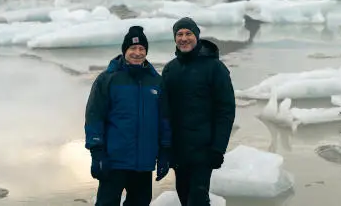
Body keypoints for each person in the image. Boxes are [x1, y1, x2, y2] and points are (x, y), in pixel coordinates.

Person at [84, 26, 172, 206]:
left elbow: (164, 119)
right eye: (133, 48)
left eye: (142, 49)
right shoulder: (108, 79)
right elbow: (94, 116)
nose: (137, 53)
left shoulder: (156, 81)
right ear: (125, 51)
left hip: (144, 162)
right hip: (114, 160)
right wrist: (97, 152)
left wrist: (165, 151)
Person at [162, 17, 236, 205]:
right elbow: (164, 111)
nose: (184, 38)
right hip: (178, 150)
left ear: (197, 37)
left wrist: (218, 148)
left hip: (204, 150)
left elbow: (225, 110)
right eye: (179, 34)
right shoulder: (170, 69)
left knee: (198, 199)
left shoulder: (215, 68)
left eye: (189, 33)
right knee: (184, 196)